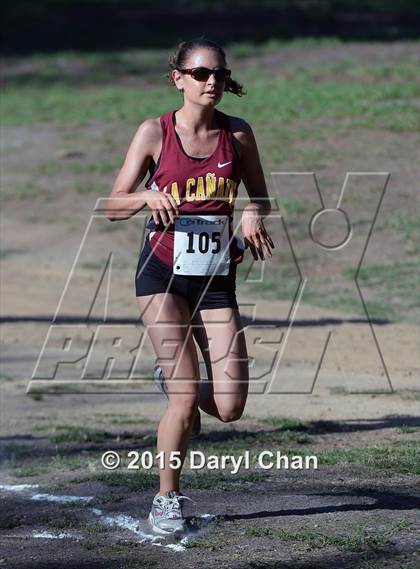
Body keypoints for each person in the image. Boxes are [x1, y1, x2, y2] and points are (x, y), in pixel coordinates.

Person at [106, 36, 274, 535]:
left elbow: (261, 197)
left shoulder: (237, 136)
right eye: (200, 73)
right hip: (161, 277)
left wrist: (250, 213)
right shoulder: (154, 133)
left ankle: (174, 380)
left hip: (216, 278)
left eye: (218, 74)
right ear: (178, 77)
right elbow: (113, 204)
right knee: (184, 399)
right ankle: (167, 498)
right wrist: (146, 196)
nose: (211, 83)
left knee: (229, 407)